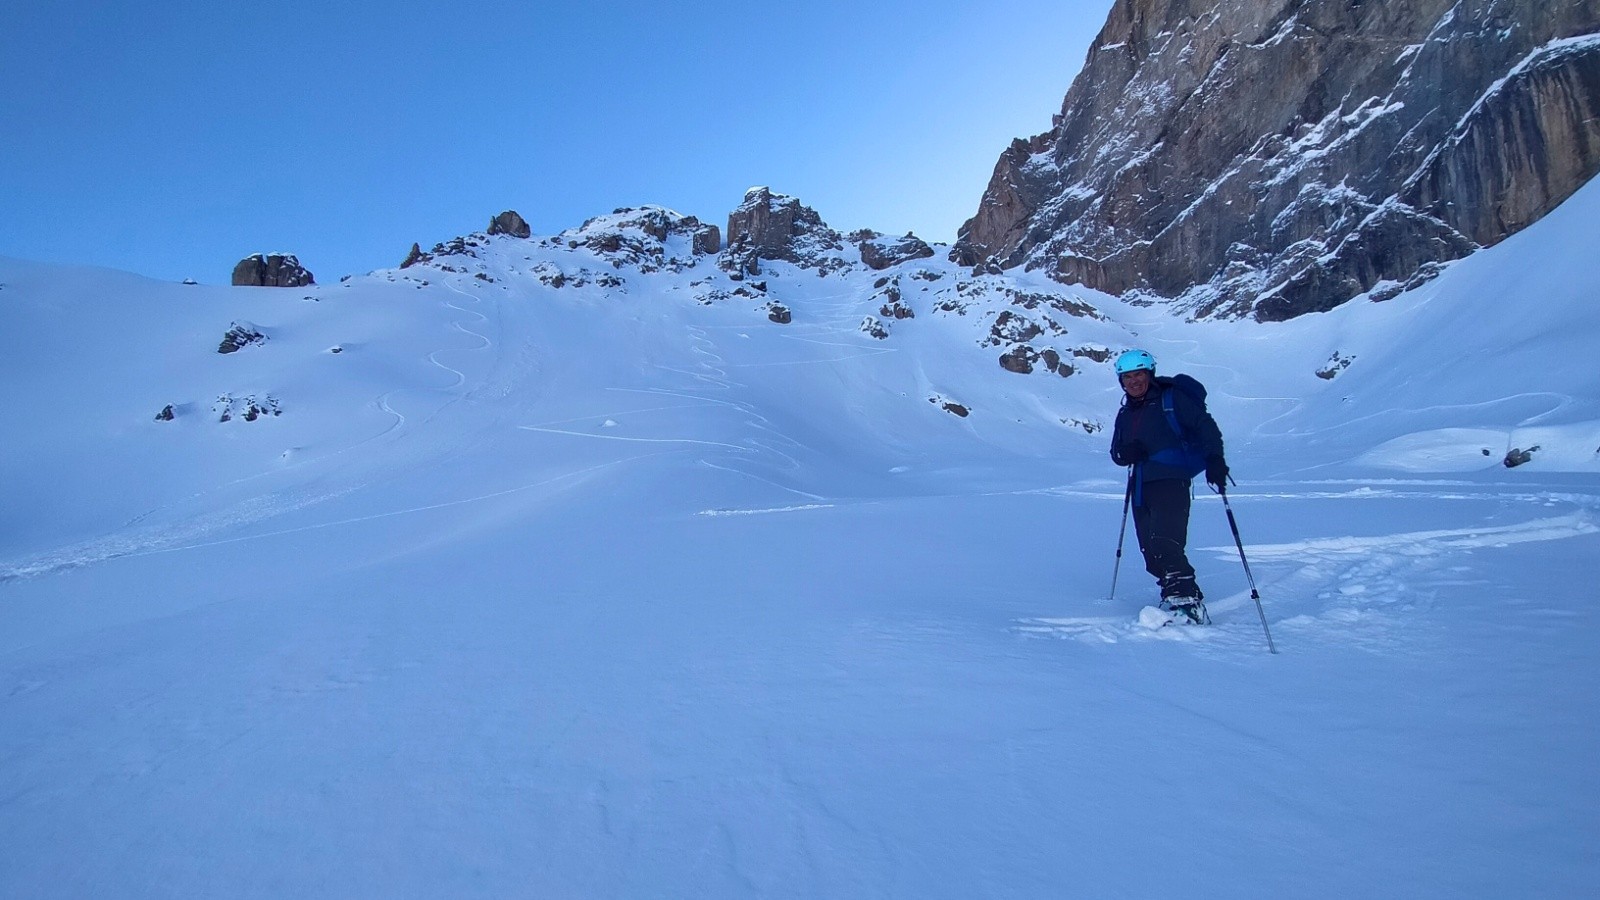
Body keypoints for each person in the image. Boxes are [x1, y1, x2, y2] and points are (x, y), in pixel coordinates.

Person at [1108, 349, 1229, 617]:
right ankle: (1171, 590)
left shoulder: (1171, 399)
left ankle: (1186, 601)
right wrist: (1125, 454)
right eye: (1127, 377)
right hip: (1140, 486)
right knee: (1149, 549)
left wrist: (1215, 460)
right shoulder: (1126, 413)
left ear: (1150, 374)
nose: (1133, 381)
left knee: (1165, 541)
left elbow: (1204, 426)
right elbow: (1116, 452)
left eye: (1138, 374)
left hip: (1171, 481)